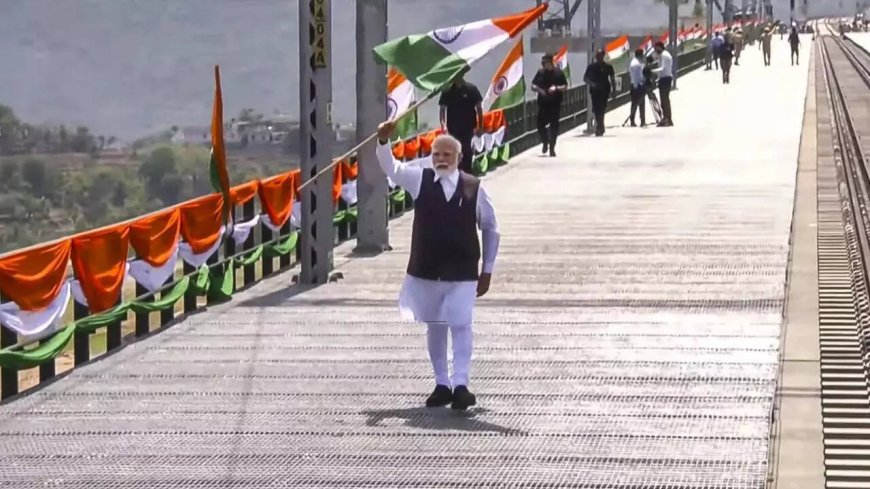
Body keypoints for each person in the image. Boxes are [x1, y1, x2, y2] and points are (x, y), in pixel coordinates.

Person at [374, 119, 500, 411]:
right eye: (437, 155)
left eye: (447, 155)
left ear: (459, 158)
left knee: (460, 322)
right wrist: (383, 143)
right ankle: (442, 383)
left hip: (463, 270)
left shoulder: (474, 188)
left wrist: (488, 269)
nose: (441, 159)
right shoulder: (420, 180)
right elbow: (391, 168)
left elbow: (491, 228)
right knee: (436, 324)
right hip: (428, 268)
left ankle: (461, 385)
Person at [438, 69, 483, 174]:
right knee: (455, 151)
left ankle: (467, 173)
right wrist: (443, 125)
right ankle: (456, 174)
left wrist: (480, 126)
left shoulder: (471, 89)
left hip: (468, 127)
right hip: (453, 128)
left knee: (466, 150)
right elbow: (442, 109)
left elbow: (479, 108)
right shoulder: (447, 91)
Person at [531, 54, 568, 156]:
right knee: (540, 125)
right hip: (543, 104)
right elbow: (533, 85)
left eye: (544, 63)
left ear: (550, 62)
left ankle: (552, 148)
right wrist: (539, 90)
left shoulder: (559, 73)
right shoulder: (540, 72)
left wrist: (556, 88)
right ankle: (545, 141)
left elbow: (565, 86)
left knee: (554, 127)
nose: (542, 65)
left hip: (555, 104)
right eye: (542, 63)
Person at [582, 49, 616, 137]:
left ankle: (600, 126)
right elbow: (585, 78)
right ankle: (600, 127)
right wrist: (592, 84)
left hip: (605, 91)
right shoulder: (591, 67)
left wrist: (614, 90)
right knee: (597, 109)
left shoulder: (608, 67)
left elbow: (612, 79)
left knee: (602, 108)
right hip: (595, 91)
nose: (599, 58)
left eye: (601, 56)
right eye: (598, 56)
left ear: (603, 56)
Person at [652, 42, 673, 127]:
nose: (655, 50)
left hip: (665, 79)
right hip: (663, 79)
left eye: (656, 48)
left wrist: (652, 71)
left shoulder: (664, 55)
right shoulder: (662, 55)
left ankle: (667, 119)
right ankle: (666, 118)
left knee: (665, 100)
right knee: (663, 100)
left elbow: (663, 68)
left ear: (660, 47)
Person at [628, 49, 646, 127]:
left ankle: (642, 120)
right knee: (635, 104)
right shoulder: (635, 64)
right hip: (637, 85)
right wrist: (636, 86)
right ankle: (633, 121)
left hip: (639, 85)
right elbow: (635, 76)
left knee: (641, 104)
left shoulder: (638, 62)